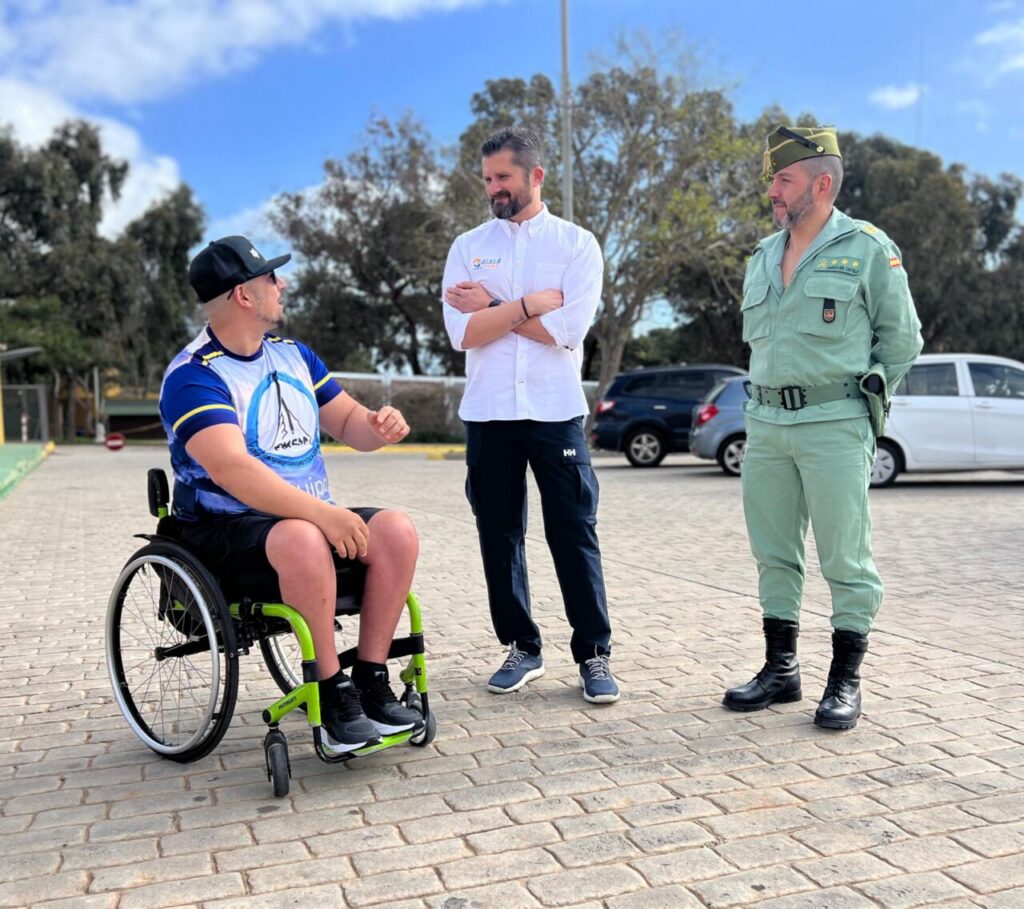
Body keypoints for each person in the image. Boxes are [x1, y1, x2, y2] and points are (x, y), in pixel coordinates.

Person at [159, 235, 423, 752]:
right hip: (223, 529)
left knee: (396, 529)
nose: (282, 285)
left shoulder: (294, 355)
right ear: (243, 296)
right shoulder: (193, 375)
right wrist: (325, 516)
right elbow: (233, 469)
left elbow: (349, 422)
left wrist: (377, 425)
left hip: (299, 518)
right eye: (270, 278)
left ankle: (370, 679)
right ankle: (329, 692)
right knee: (302, 537)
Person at [723, 126, 923, 729]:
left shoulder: (866, 248)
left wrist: (868, 406)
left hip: (835, 425)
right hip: (765, 425)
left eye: (784, 180)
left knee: (845, 557)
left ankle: (845, 680)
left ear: (822, 183)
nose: (773, 193)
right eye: (773, 182)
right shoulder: (763, 255)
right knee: (774, 553)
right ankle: (780, 670)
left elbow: (903, 340)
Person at [441, 126, 619, 704]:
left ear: (535, 176)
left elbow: (565, 334)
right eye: (488, 178)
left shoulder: (576, 246)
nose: (493, 188)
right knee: (499, 533)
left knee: (573, 531)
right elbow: (462, 334)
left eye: (504, 178)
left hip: (554, 412)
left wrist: (492, 307)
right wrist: (522, 306)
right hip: (489, 413)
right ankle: (521, 646)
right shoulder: (468, 246)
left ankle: (593, 655)